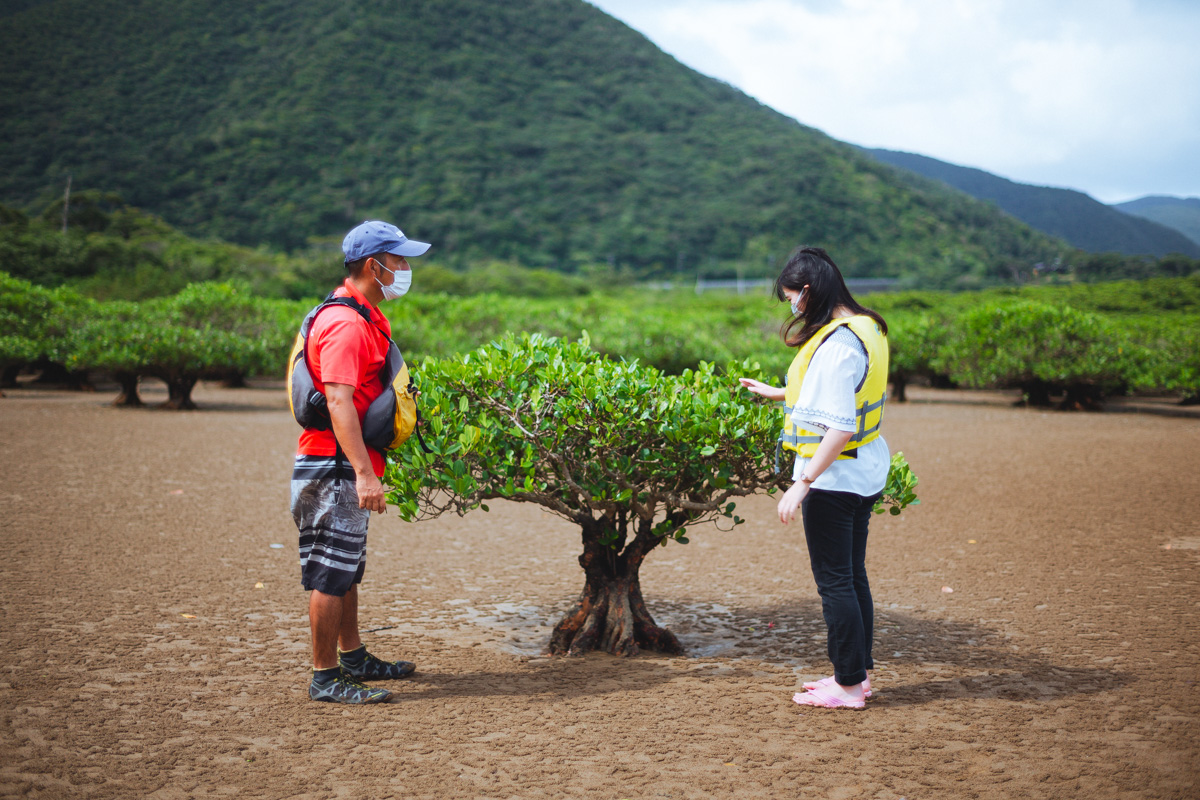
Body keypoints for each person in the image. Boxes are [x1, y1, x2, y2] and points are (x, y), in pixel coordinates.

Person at [739, 246, 890, 710]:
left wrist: (802, 482)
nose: (792, 307)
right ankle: (856, 675)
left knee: (835, 583)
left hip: (834, 481)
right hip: (865, 472)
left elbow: (840, 425)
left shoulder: (836, 344)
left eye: (790, 298)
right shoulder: (865, 327)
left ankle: (847, 687)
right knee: (852, 576)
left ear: (807, 291)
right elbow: (842, 390)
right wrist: (778, 392)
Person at [290, 220, 430, 704]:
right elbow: (338, 402)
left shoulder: (361, 314)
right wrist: (365, 474)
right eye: (400, 261)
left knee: (347, 568)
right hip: (334, 468)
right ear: (375, 266)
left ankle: (353, 658)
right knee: (330, 573)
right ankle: (325, 678)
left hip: (343, 465)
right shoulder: (346, 324)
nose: (406, 269)